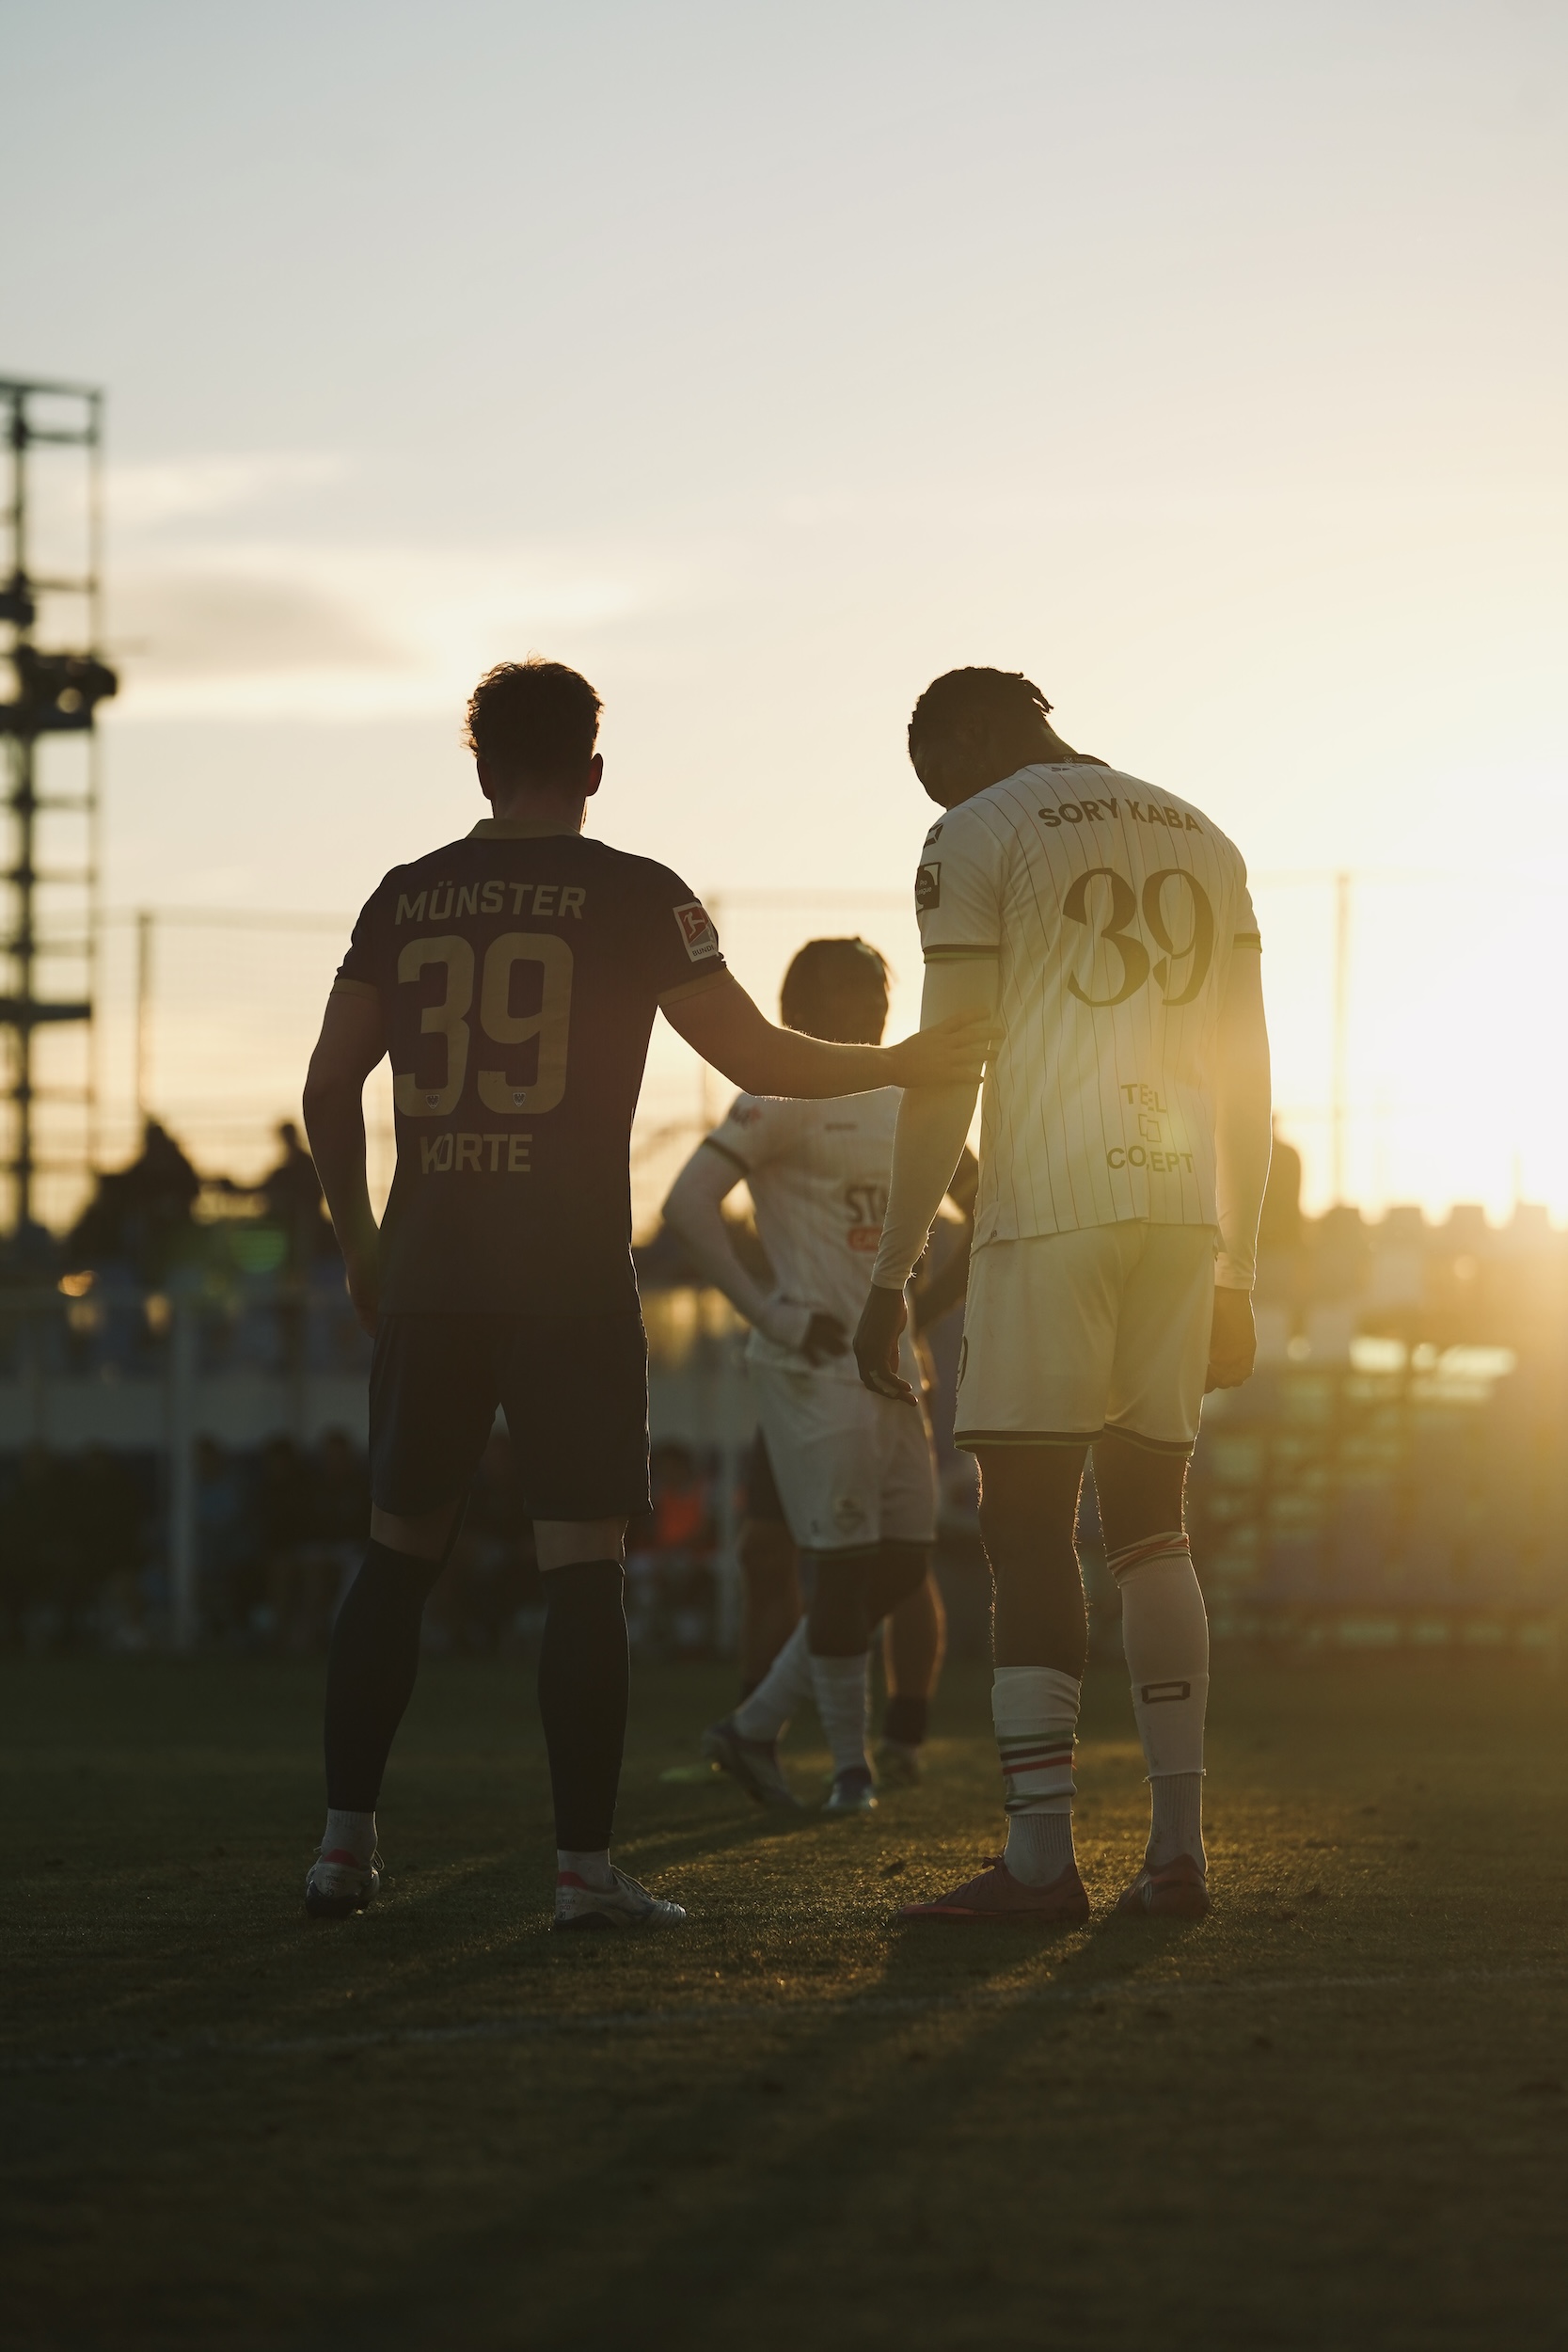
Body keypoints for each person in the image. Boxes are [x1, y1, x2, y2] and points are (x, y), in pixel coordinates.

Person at [300, 657, 988, 1931]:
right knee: (580, 1570)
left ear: (479, 767)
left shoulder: (404, 894)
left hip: (434, 1268)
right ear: (594, 770)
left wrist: (360, 1243)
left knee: (395, 1558)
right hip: (565, 1275)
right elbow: (760, 1055)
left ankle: (342, 1851)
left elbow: (327, 1086)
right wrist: (900, 1058)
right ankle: (581, 1873)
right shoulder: (632, 892)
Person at [854, 666, 1271, 1922]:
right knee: (1151, 1526)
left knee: (1026, 1526)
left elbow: (947, 1066)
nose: (934, 799)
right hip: (1178, 1213)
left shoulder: (974, 831)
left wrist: (891, 1271)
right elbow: (1247, 1074)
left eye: (933, 771)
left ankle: (1038, 1860)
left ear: (974, 732)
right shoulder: (1203, 831)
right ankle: (1176, 1849)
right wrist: (1238, 1270)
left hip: (1048, 1204)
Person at [662, 938, 972, 1813]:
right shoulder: (779, 1097)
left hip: (891, 1370)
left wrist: (919, 1313)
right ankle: (850, 1772)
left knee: (903, 1564)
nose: (870, 1004)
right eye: (846, 990)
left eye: (876, 988)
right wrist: (774, 1316)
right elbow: (686, 1204)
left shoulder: (915, 1100)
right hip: (814, 1367)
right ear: (797, 1009)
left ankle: (756, 1725)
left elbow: (987, 1204)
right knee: (831, 1568)